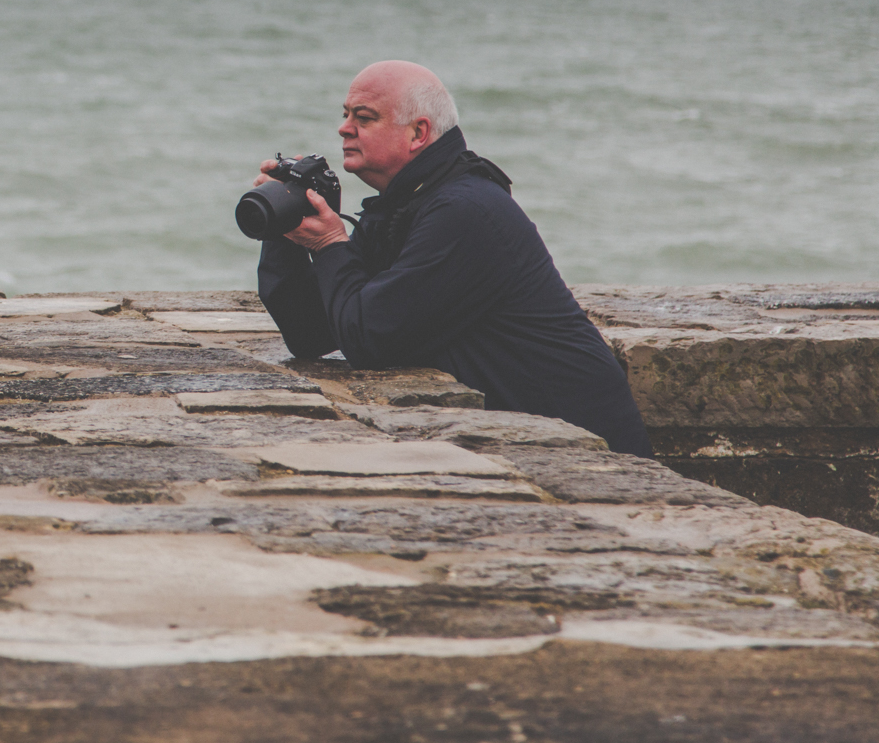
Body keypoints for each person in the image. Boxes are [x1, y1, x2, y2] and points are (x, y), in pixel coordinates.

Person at [255, 60, 652, 456]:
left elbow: (368, 339)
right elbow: (312, 334)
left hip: (589, 451)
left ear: (418, 133)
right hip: (525, 439)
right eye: (345, 115)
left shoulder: (465, 211)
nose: (344, 127)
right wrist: (285, 225)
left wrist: (329, 245)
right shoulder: (406, 204)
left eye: (364, 117)